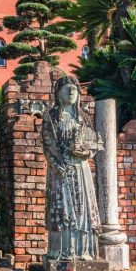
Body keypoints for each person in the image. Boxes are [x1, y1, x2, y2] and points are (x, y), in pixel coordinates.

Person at [42, 74, 103, 261]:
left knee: (83, 209)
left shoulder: (82, 117)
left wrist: (85, 152)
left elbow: (94, 143)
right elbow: (47, 144)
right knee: (62, 210)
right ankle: (60, 251)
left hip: (80, 170)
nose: (71, 92)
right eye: (66, 88)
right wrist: (56, 165)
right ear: (58, 93)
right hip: (60, 170)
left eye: (75, 89)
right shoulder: (51, 117)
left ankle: (83, 251)